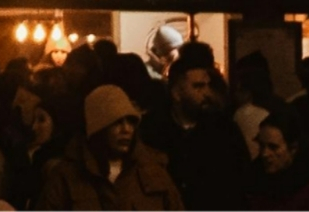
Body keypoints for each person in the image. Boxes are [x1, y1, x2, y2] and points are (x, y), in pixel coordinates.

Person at [35, 85, 177, 210]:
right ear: (98, 129)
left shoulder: (153, 171)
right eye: (117, 123)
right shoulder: (66, 176)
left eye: (131, 122)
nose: (126, 129)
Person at [143, 54, 243, 207]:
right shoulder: (153, 129)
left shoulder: (224, 130)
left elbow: (239, 182)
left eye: (208, 85)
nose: (206, 93)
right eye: (198, 86)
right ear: (176, 93)